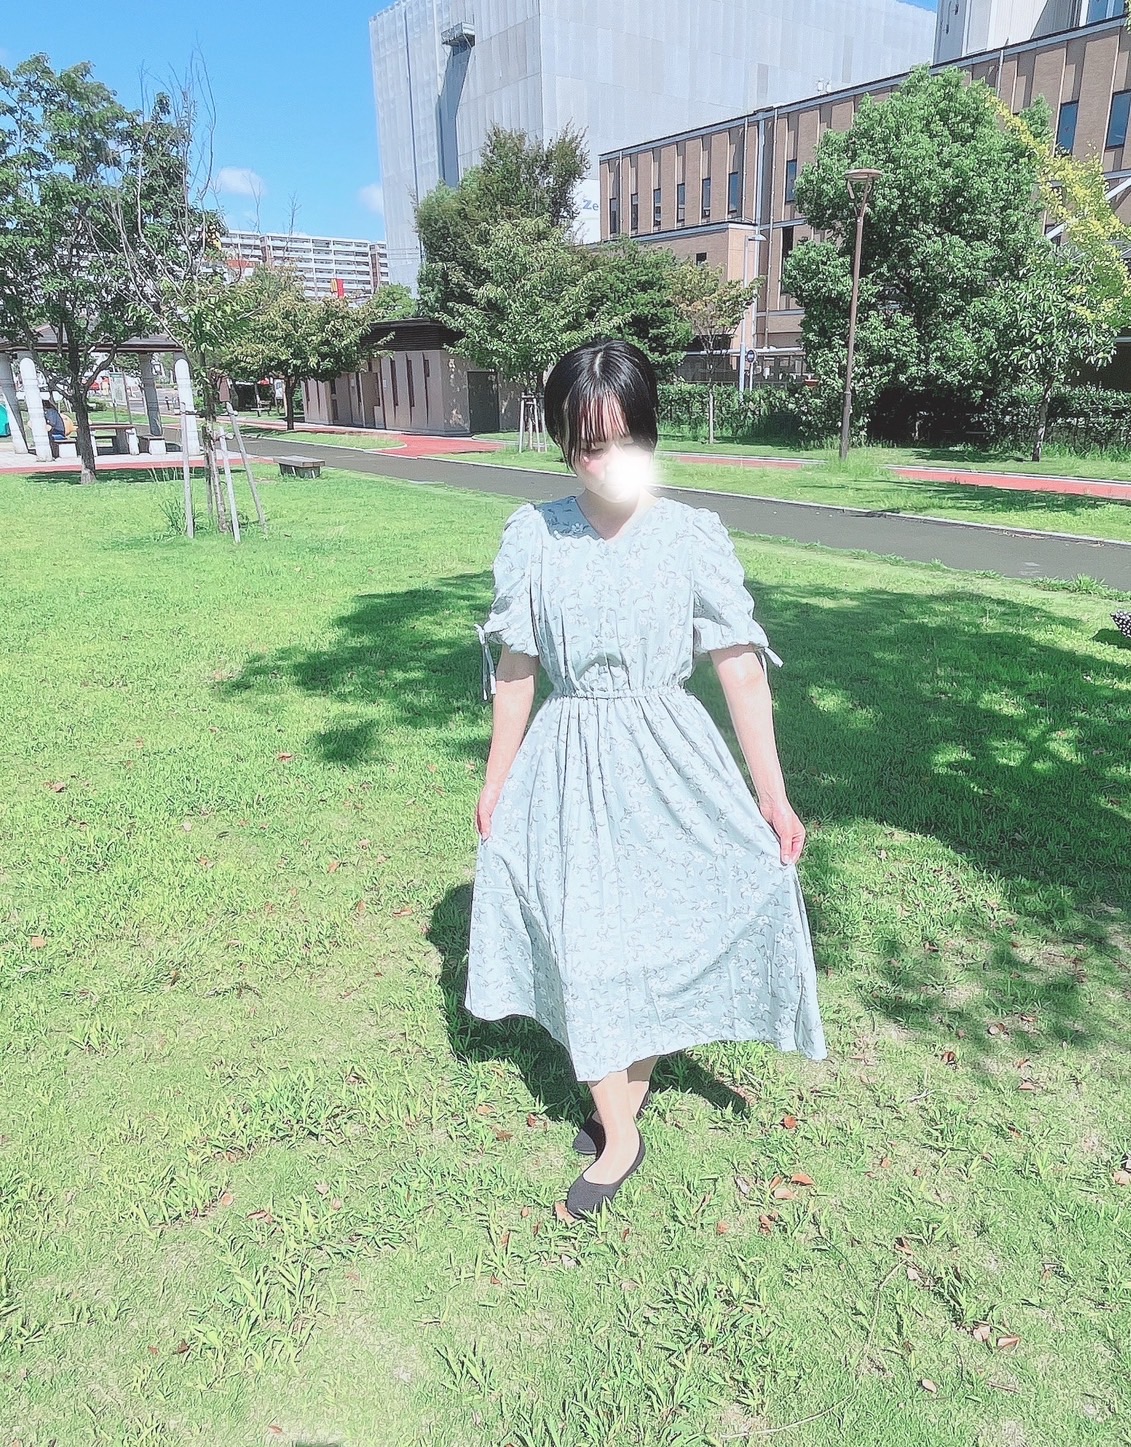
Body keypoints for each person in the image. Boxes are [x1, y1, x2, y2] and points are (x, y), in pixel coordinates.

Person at [467, 339, 827, 1222]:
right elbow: (516, 670)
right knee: (586, 941)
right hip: (569, 759)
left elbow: (738, 667)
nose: (608, 461)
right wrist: (496, 778)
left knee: (657, 936)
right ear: (562, 442)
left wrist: (771, 794)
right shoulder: (533, 534)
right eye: (589, 445)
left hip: (670, 759)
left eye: (624, 440)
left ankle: (619, 1107)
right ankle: (621, 1131)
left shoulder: (691, 534)